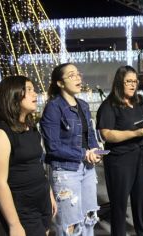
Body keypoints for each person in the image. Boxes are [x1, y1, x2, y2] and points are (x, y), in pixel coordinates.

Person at [96, 65, 143, 236]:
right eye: (128, 81)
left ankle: (142, 231)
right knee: (120, 202)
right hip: (120, 159)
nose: (132, 85)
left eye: (135, 81)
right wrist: (134, 133)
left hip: (142, 156)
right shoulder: (109, 105)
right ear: (119, 83)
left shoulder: (140, 101)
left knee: (140, 198)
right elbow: (106, 134)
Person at [0, 75, 56, 236]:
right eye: (29, 90)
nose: (35, 94)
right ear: (13, 95)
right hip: (22, 208)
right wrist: (14, 224)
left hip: (42, 200)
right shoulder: (0, 134)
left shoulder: (31, 127)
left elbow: (37, 165)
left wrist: (49, 194)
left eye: (34, 90)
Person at [40, 63, 101, 235]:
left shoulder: (83, 105)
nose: (78, 78)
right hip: (65, 171)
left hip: (87, 169)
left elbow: (89, 136)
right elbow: (53, 147)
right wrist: (84, 153)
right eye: (72, 75)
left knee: (89, 218)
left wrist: (95, 151)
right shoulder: (53, 107)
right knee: (69, 225)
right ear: (60, 83)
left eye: (78, 74)